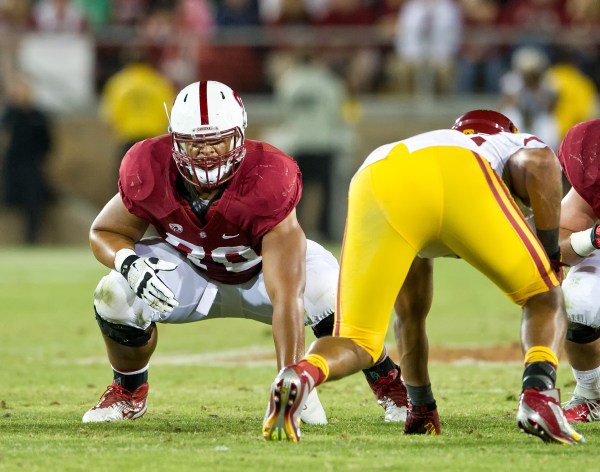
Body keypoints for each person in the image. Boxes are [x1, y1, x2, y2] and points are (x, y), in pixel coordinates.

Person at [82, 80, 407, 425]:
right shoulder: (148, 165)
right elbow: (105, 231)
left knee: (332, 296)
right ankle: (128, 393)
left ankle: (389, 383)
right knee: (114, 292)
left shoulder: (269, 175)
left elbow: (287, 296)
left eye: (218, 140)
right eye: (195, 143)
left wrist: (291, 379)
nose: (207, 152)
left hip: (262, 276)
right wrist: (128, 262)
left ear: (240, 136)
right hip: (190, 272)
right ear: (174, 140)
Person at [262, 109, 585, 445]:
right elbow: (541, 162)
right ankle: (540, 395)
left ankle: (300, 374)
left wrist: (420, 406)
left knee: (358, 340)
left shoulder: (432, 144)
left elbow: (410, 316)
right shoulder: (505, 143)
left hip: (374, 176)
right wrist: (550, 254)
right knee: (543, 293)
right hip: (458, 173)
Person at [555, 119, 600, 423]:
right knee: (576, 302)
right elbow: (553, 250)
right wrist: (592, 238)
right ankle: (591, 394)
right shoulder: (589, 183)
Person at [0, 73, 54, 244]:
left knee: (34, 202)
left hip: (32, 166)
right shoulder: (8, 116)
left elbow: (47, 143)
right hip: (11, 167)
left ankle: (31, 240)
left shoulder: (38, 116)